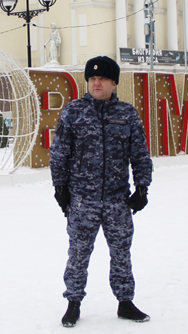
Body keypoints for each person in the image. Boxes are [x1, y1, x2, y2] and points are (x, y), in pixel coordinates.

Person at [50, 56, 153, 327]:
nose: (97, 82)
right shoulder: (73, 112)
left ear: (113, 83)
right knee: (78, 253)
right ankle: (73, 302)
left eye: (103, 78)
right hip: (83, 200)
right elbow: (59, 153)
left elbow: (140, 154)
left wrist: (142, 187)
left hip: (117, 200)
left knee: (121, 253)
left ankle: (125, 302)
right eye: (93, 78)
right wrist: (60, 188)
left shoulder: (127, 114)